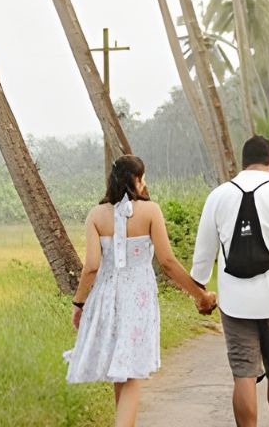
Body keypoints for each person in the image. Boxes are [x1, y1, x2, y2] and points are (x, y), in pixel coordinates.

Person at [66, 155, 218, 427]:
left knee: (122, 373)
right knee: (132, 373)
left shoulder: (96, 215)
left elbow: (90, 267)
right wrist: (200, 295)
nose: (144, 182)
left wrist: (79, 304)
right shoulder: (151, 211)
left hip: (105, 298)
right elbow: (168, 263)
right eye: (142, 177)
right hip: (138, 298)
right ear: (136, 180)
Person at [191, 135, 269, 427]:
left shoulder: (218, 196)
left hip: (235, 303)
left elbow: (202, 260)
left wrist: (201, 294)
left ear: (242, 162)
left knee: (244, 375)